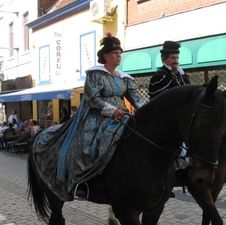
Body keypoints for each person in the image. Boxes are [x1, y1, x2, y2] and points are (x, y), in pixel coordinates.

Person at [32, 32, 144, 200]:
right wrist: (112, 111)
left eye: (120, 53)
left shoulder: (124, 78)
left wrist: (148, 111)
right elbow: (92, 98)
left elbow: (136, 98)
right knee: (89, 143)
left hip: (121, 115)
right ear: (106, 56)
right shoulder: (95, 74)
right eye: (115, 53)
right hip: (97, 115)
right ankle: (83, 181)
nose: (118, 55)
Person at [148, 41, 191, 197]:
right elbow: (158, 102)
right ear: (164, 59)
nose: (176, 60)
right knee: (166, 152)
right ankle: (164, 181)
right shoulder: (159, 76)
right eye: (172, 57)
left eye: (177, 57)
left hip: (182, 120)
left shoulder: (180, 74)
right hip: (166, 122)